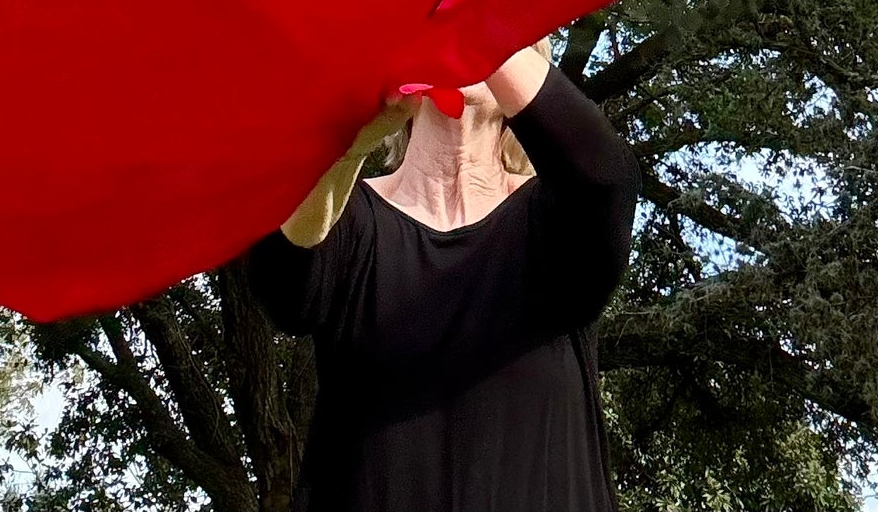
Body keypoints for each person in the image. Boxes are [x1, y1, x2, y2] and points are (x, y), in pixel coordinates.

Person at [246, 41, 639, 512]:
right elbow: (283, 284)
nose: (456, 46)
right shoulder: (347, 218)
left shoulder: (556, 225)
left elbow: (605, 179)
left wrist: (476, 26)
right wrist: (349, 147)